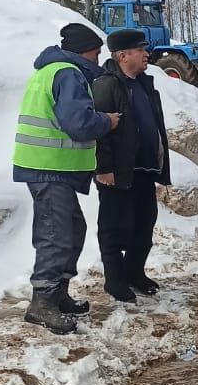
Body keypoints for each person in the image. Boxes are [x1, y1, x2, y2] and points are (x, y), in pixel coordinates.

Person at [13, 22, 120, 334]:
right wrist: (107, 121)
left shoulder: (54, 70)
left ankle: (57, 294)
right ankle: (41, 303)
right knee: (55, 234)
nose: (99, 60)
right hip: (48, 168)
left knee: (72, 229)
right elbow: (79, 124)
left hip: (51, 168)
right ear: (85, 52)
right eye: (97, 54)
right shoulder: (68, 73)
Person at [91, 28, 171, 303]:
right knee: (114, 228)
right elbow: (100, 132)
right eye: (141, 50)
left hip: (145, 170)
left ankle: (134, 273)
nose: (147, 54)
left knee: (144, 226)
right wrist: (103, 169)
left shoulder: (145, 84)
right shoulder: (106, 84)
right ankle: (114, 281)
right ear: (124, 55)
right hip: (118, 172)